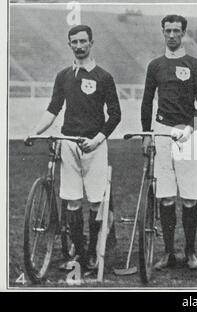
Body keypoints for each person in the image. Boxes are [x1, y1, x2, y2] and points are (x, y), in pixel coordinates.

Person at [27, 25, 121, 270]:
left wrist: (98, 139)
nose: (79, 46)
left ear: (91, 42)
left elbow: (115, 115)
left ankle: (92, 252)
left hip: (95, 145)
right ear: (69, 45)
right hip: (68, 143)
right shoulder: (64, 76)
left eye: (83, 41)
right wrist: (35, 132)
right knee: (72, 201)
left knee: (96, 201)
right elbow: (53, 108)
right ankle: (78, 253)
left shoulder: (104, 77)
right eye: (74, 42)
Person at [140, 15, 197, 270]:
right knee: (166, 197)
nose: (171, 35)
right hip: (161, 132)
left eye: (176, 31)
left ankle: (190, 252)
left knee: (190, 198)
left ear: (184, 34)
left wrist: (192, 127)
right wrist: (147, 134)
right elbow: (147, 101)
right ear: (162, 32)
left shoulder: (195, 64)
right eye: (167, 30)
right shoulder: (155, 65)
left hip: (188, 133)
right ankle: (169, 252)